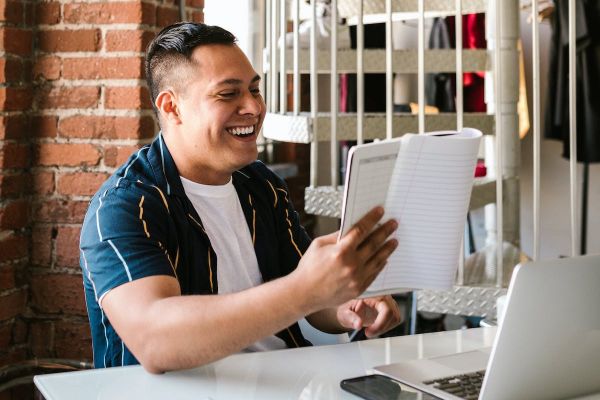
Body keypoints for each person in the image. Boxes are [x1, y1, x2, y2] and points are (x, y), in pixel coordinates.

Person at [79, 22, 401, 374]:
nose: (253, 107)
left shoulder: (261, 185)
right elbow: (156, 343)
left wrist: (345, 304)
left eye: (254, 89)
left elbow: (309, 301)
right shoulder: (125, 207)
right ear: (172, 108)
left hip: (286, 383)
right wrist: (306, 289)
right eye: (228, 94)